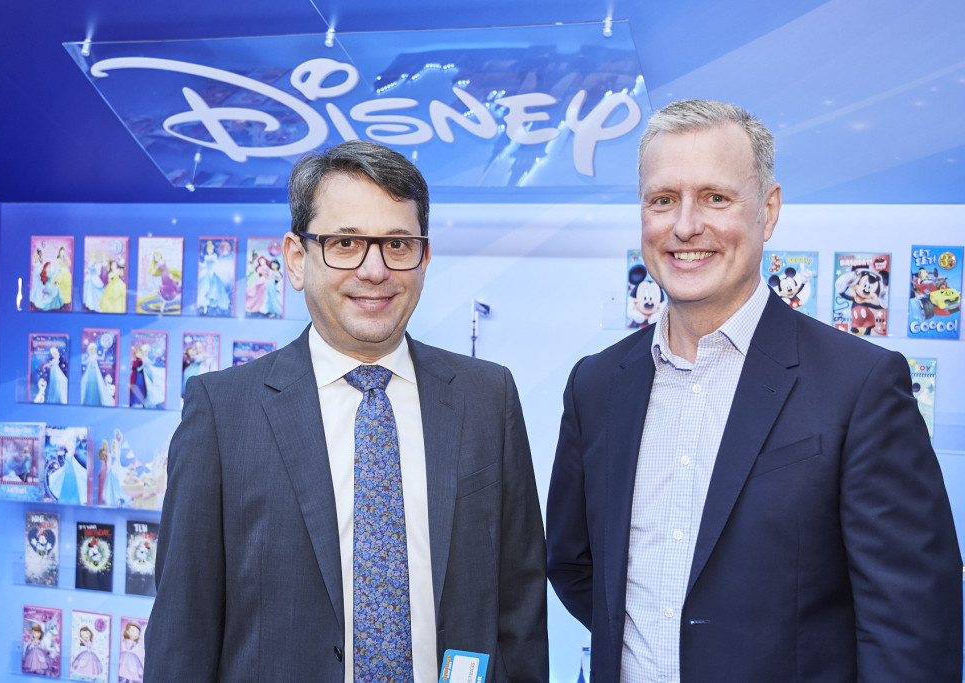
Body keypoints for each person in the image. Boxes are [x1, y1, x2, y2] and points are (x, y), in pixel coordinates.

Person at [545, 99, 962, 682]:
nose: (685, 226)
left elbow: (914, 629)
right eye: (662, 200)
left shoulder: (860, 386)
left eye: (716, 198)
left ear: (768, 212)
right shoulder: (595, 386)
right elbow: (574, 564)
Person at [145, 139, 548, 682]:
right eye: (346, 242)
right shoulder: (223, 412)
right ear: (295, 257)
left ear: (425, 258)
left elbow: (520, 608)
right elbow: (182, 631)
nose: (375, 269)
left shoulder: (487, 397)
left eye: (398, 244)